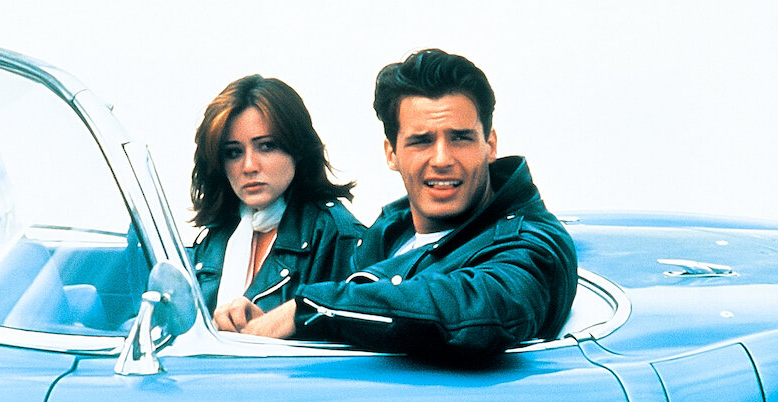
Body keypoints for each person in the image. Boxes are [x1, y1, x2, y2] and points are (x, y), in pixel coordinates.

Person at [212, 49, 578, 358]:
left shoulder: (530, 241)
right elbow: (360, 326)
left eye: (460, 138)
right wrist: (269, 321)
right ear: (392, 153)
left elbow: (478, 308)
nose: (441, 159)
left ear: (490, 145)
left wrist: (309, 308)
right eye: (421, 141)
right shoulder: (387, 234)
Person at [189, 74, 366, 320]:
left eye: (266, 146)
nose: (249, 166)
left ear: (298, 149)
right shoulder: (215, 237)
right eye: (233, 152)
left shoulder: (339, 236)